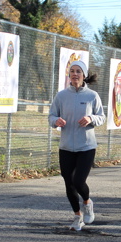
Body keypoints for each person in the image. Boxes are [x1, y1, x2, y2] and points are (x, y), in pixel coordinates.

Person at [49, 60, 106, 231]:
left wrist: (90, 118)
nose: (75, 74)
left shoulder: (92, 96)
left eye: (78, 71)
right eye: (72, 71)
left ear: (84, 75)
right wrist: (56, 121)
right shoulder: (61, 96)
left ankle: (87, 203)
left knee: (78, 180)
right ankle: (77, 217)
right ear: (69, 74)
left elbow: (101, 117)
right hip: (66, 146)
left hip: (86, 146)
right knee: (69, 183)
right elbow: (51, 116)